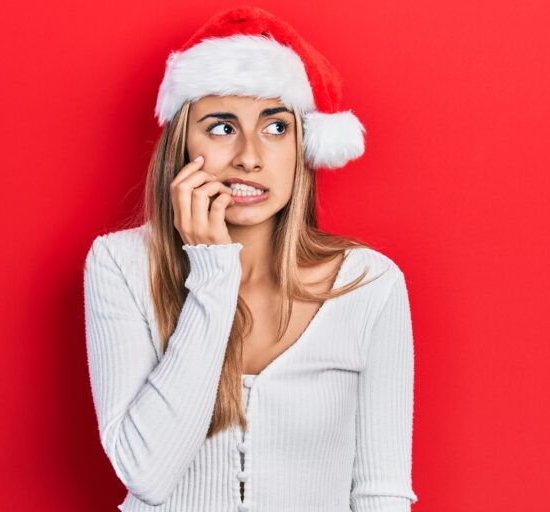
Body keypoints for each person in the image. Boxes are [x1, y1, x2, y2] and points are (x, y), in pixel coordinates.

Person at [83, 5, 419, 511]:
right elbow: (147, 475)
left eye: (276, 127)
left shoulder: (370, 283)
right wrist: (212, 270)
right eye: (221, 128)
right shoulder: (119, 265)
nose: (248, 157)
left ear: (303, 145)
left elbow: (381, 492)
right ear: (182, 144)